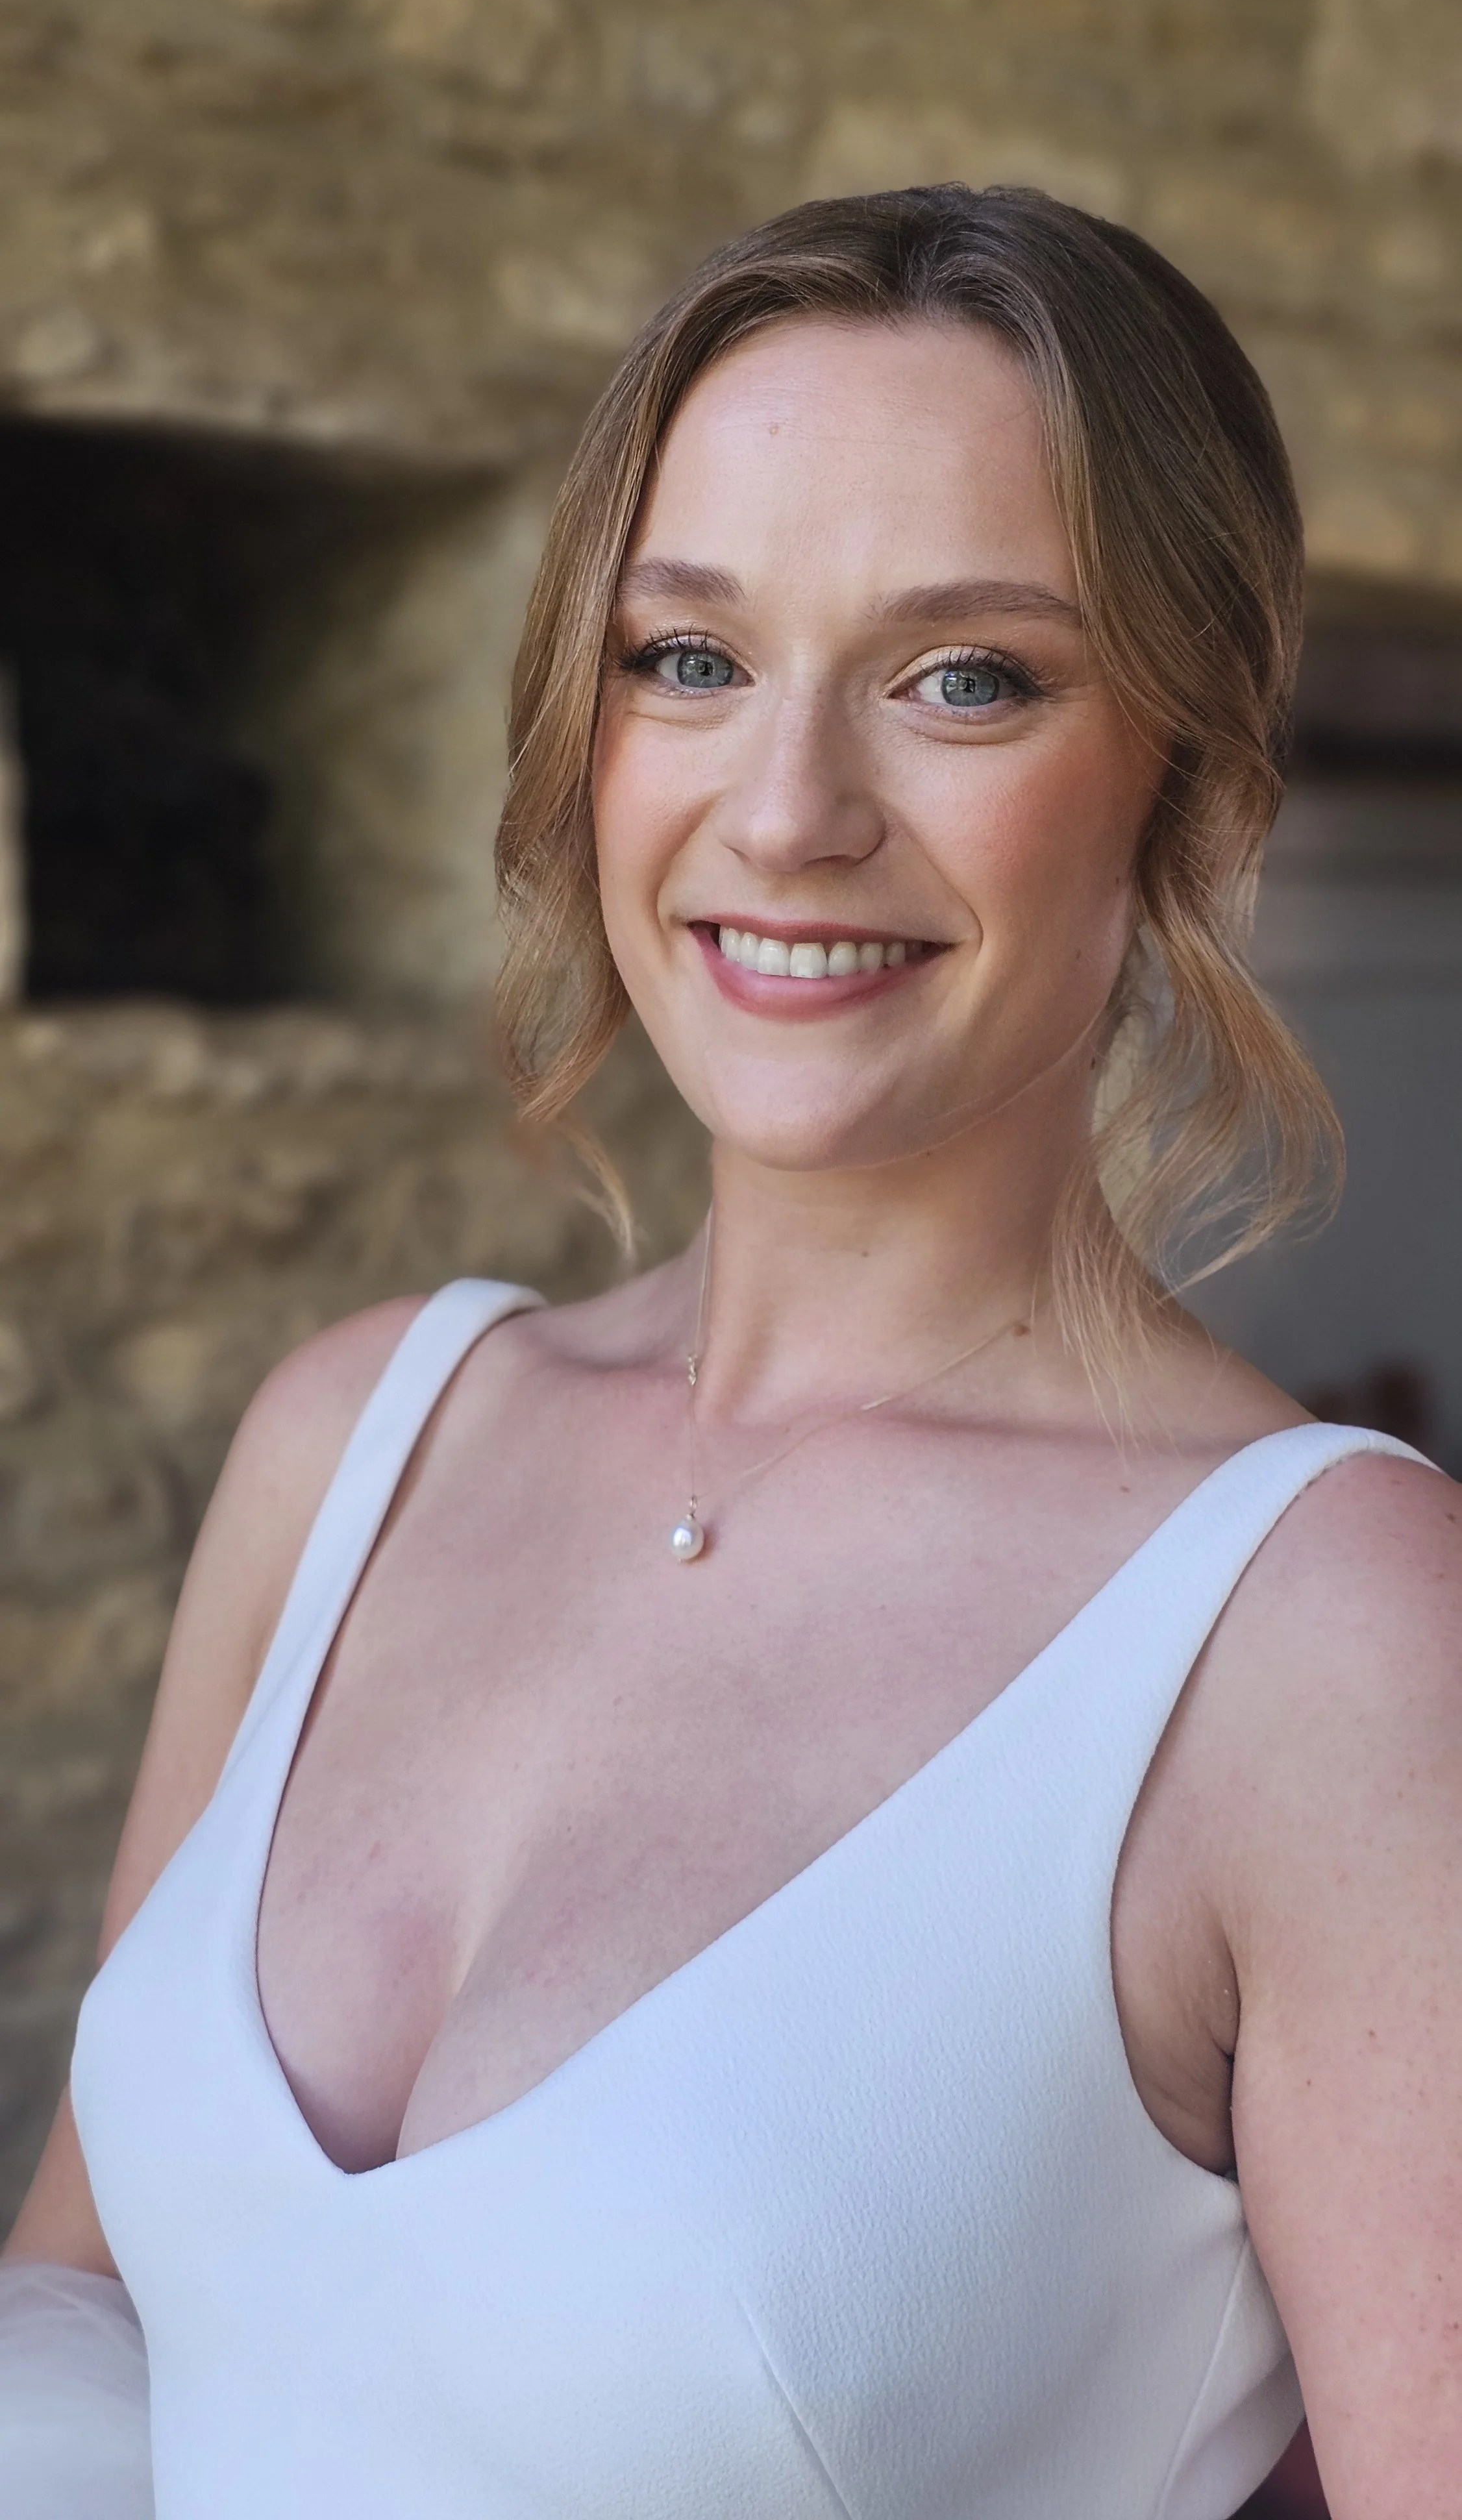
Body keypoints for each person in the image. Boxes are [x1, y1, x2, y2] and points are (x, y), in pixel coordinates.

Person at [1, 184, 1457, 2520]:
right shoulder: (354, 1437)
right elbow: (86, 2309)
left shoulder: (1325, 1642)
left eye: (961, 676)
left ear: (1186, 780)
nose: (785, 813)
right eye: (690, 658)